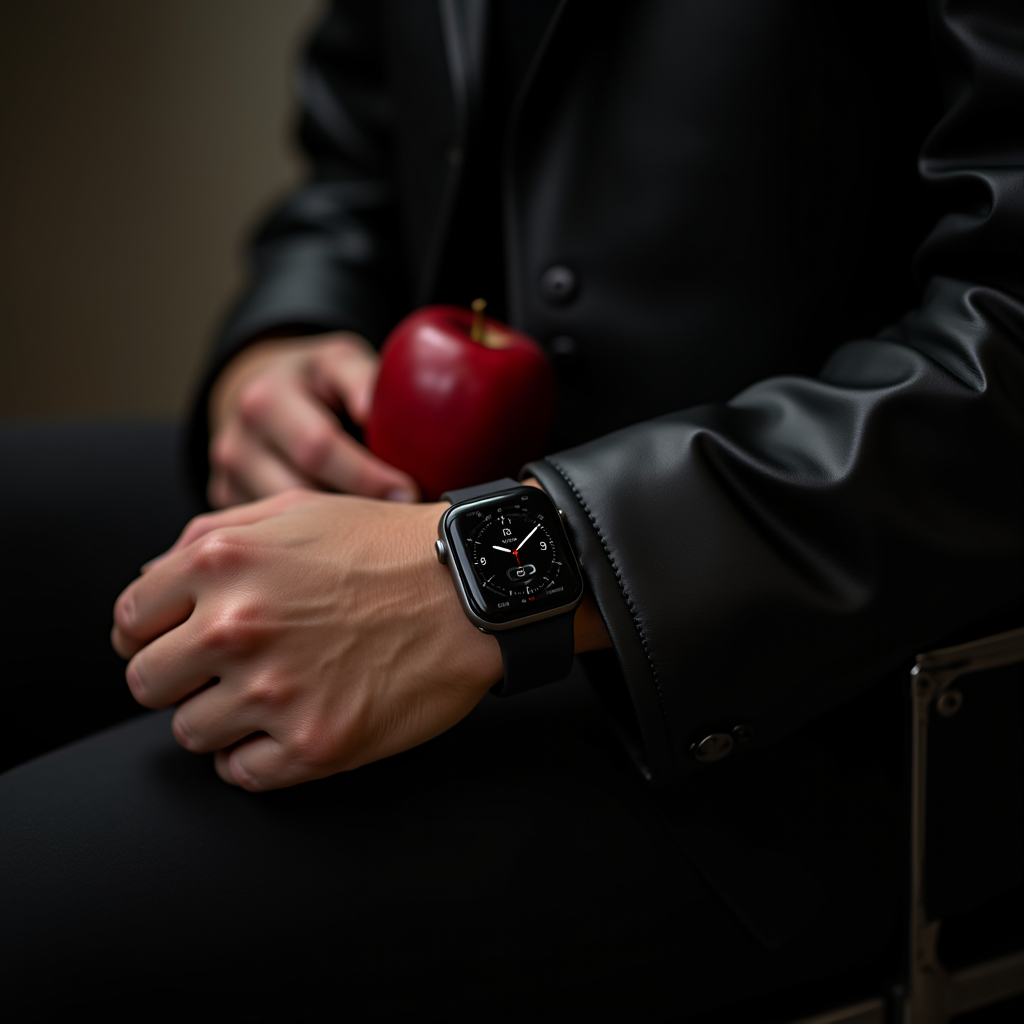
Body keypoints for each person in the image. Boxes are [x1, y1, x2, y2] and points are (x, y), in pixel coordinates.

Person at [2, 1, 1022, 1021]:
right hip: (417, 495)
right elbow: (359, 147)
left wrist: (485, 571)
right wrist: (285, 336)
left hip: (798, 698)